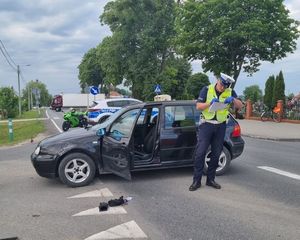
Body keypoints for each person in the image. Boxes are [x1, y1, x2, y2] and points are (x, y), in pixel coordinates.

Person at [189, 73, 243, 191]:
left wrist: (233, 99)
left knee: (216, 153)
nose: (222, 88)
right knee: (200, 153)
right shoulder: (206, 89)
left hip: (220, 126)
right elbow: (198, 106)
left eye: (225, 86)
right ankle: (196, 181)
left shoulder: (230, 91)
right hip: (206, 125)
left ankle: (210, 180)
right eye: (221, 85)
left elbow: (240, 106)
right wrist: (210, 103)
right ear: (218, 80)